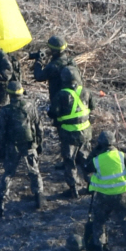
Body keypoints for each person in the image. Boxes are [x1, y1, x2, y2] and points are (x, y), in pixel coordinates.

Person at [86, 130, 126, 251]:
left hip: (103, 196)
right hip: (122, 195)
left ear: (100, 144)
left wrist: (94, 152)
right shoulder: (123, 156)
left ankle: (101, 249)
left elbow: (86, 166)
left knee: (99, 222)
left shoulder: (97, 160)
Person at [0, 81, 45, 217]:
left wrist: (2, 146)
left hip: (13, 145)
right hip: (29, 144)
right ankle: (39, 197)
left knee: (9, 173)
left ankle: (1, 200)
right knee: (34, 170)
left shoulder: (5, 110)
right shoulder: (30, 106)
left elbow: (1, 131)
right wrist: (39, 143)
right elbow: (38, 125)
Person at [48, 66, 95, 198]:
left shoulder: (61, 95)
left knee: (69, 161)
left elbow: (53, 113)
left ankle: (73, 189)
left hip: (68, 134)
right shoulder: (86, 91)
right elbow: (93, 106)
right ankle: (91, 185)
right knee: (86, 159)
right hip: (85, 132)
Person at [33, 36, 78, 103]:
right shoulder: (70, 61)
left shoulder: (53, 66)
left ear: (53, 50)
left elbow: (39, 76)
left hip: (58, 101)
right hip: (73, 98)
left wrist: (38, 62)